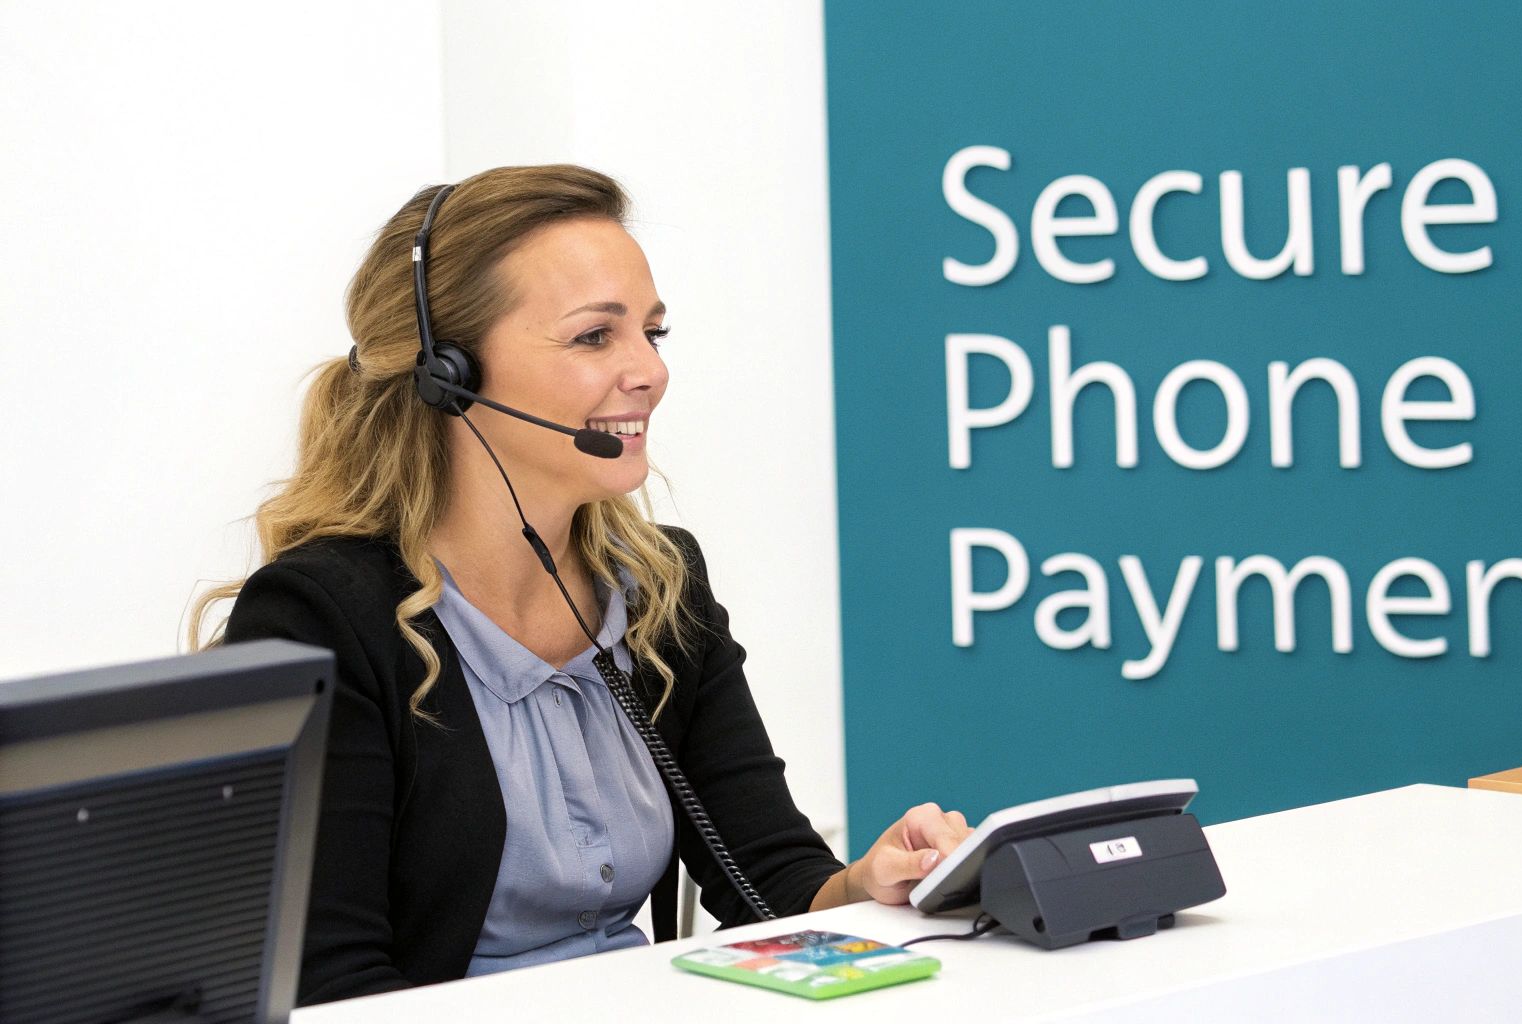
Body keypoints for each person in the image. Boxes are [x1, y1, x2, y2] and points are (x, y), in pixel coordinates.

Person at [187, 164, 972, 1006]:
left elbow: (768, 878)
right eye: (595, 337)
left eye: (653, 333)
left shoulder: (659, 588)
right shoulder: (323, 618)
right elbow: (329, 985)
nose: (650, 373)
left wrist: (868, 885)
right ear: (447, 371)